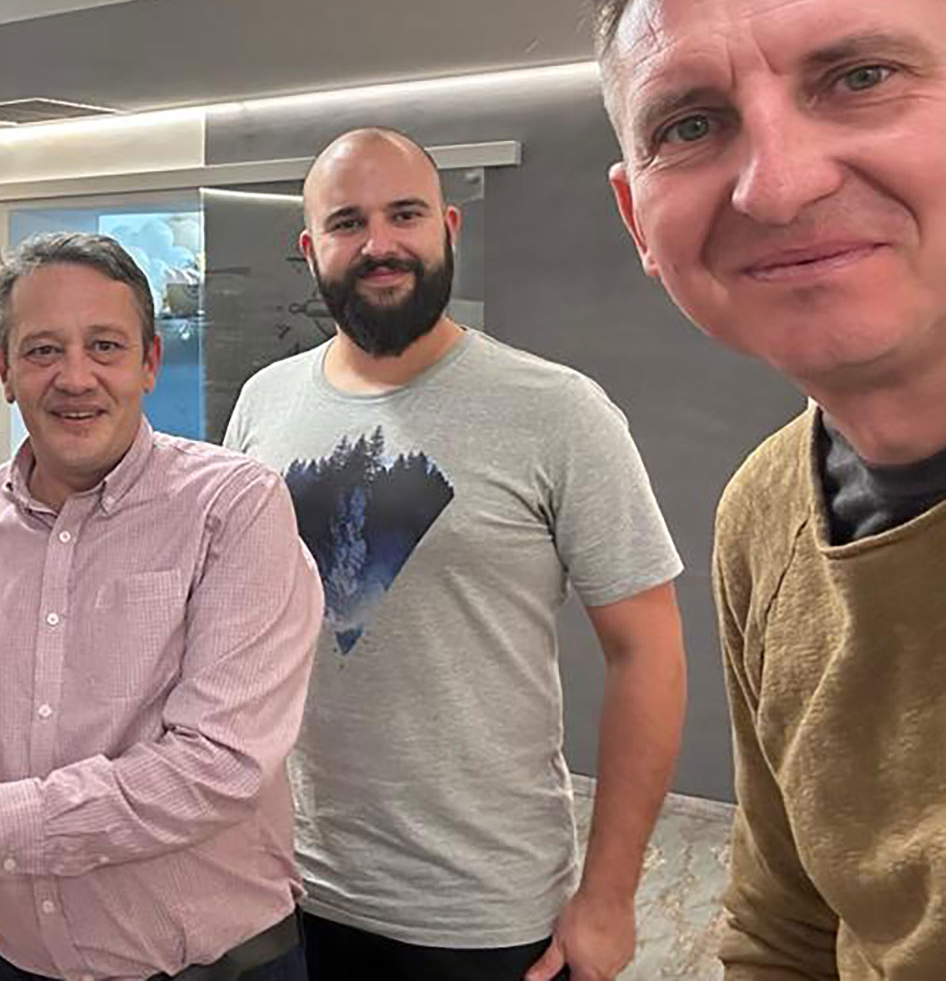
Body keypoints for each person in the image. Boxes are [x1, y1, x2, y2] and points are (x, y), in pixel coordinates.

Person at [593, 0, 946, 976]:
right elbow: (782, 920)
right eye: (691, 125)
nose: (778, 184)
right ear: (637, 218)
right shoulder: (767, 509)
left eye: (861, 77)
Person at [224, 128, 687, 981]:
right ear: (311, 248)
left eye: (404, 214)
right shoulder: (265, 402)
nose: (379, 244)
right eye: (347, 222)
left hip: (481, 907)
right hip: (290, 883)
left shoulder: (558, 411)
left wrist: (610, 896)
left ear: (448, 229)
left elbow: (647, 651)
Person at [0, 232, 323, 981]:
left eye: (105, 346)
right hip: (17, 961)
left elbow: (217, 766)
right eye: (43, 350)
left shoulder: (234, 507)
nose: (75, 378)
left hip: (213, 968)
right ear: (4, 370)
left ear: (149, 362)